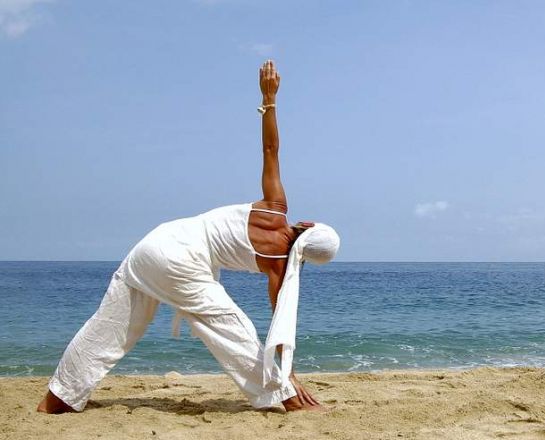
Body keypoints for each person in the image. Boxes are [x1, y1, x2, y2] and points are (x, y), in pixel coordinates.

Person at [36, 60, 340, 414]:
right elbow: (279, 329)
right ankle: (284, 395)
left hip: (156, 241)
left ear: (307, 223)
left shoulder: (275, 207)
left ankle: (57, 398)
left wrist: (269, 99)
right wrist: (290, 374)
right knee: (234, 330)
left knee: (110, 327)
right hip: (182, 261)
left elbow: (271, 150)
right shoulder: (280, 267)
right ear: (307, 257)